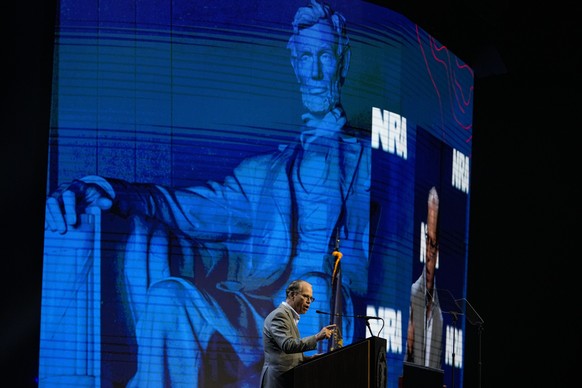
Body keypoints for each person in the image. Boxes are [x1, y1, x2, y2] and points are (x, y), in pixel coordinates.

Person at [44, 0, 371, 386]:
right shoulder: (262, 174)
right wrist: (111, 191)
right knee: (169, 297)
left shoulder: (372, 162)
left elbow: (383, 263)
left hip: (329, 316)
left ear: (343, 62)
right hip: (262, 312)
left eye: (325, 57)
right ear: (295, 65)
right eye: (305, 58)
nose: (315, 72)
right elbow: (188, 208)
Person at [260, 280, 336, 388]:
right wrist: (317, 337)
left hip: (287, 379)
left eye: (311, 298)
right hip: (277, 380)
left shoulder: (289, 316)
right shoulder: (279, 316)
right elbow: (288, 345)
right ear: (292, 295)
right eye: (305, 296)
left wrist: (308, 359)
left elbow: (285, 355)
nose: (309, 301)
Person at [405, 186, 444, 369]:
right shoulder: (412, 296)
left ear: (437, 251)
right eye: (427, 243)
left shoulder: (439, 317)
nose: (429, 254)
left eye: (433, 246)